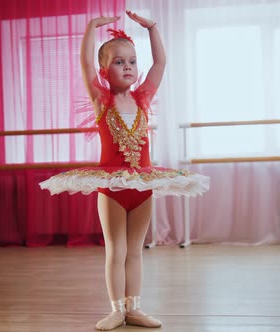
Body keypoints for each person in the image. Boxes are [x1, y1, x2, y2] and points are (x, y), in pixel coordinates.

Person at [40, 10, 209, 331]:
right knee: (116, 251)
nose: (128, 66)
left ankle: (135, 308)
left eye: (131, 61)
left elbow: (160, 65)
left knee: (136, 252)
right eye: (119, 62)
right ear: (105, 71)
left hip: (143, 186)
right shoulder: (101, 101)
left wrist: (153, 28)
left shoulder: (143, 98)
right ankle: (116, 309)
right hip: (112, 188)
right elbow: (85, 65)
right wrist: (91, 28)